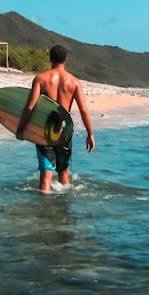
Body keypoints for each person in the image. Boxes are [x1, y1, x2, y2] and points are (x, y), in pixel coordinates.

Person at [15, 45, 96, 192]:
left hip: (45, 129)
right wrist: (90, 134)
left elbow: (30, 107)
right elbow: (83, 110)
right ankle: (63, 208)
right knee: (64, 173)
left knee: (46, 176)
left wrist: (21, 129)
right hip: (64, 130)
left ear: (50, 58)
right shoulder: (75, 82)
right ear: (66, 60)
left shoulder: (41, 79)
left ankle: (44, 208)